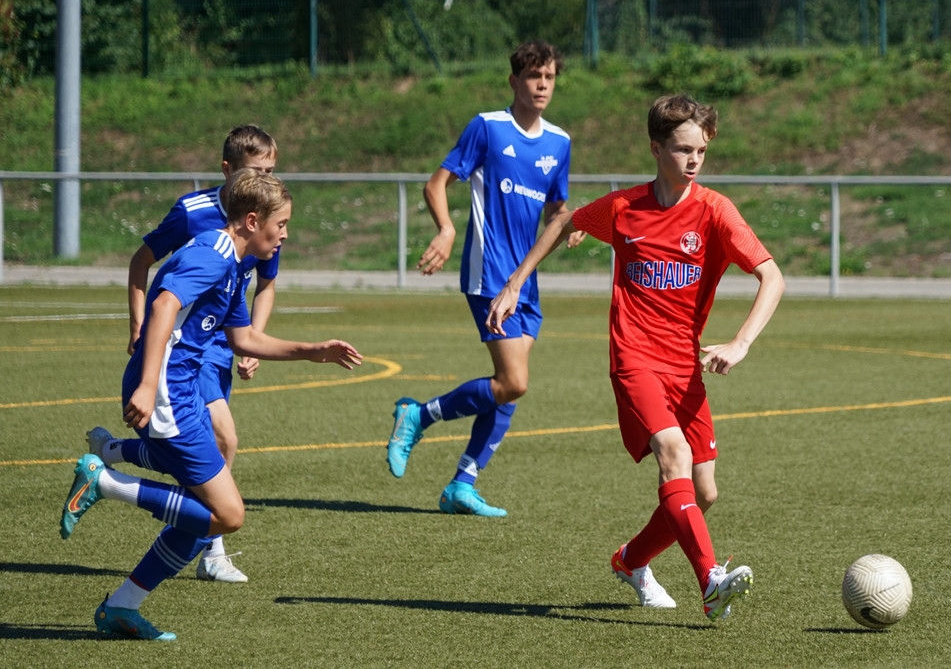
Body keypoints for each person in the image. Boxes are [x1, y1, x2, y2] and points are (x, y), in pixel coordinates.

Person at [486, 94, 785, 621]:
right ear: (655, 148)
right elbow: (563, 221)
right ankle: (711, 582)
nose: (694, 160)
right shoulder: (625, 208)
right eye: (682, 149)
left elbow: (772, 275)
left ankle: (631, 561)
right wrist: (515, 283)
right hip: (634, 358)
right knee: (674, 453)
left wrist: (740, 342)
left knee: (704, 491)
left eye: (702, 151)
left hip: (684, 367)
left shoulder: (715, 211)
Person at [60, 169, 364, 641]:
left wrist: (312, 351)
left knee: (199, 516)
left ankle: (122, 606)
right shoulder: (214, 255)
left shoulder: (236, 265)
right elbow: (163, 306)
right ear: (249, 220)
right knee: (228, 514)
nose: (285, 234)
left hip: (179, 394)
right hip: (166, 394)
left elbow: (244, 338)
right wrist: (145, 385)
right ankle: (105, 481)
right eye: (279, 224)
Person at [386, 40, 584, 517]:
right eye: (533, 75)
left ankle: (462, 483)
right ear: (514, 80)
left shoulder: (560, 143)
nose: (542, 84)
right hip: (488, 272)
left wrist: (568, 224)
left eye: (550, 77)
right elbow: (437, 183)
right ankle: (417, 415)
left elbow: (556, 207)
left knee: (509, 384)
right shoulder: (488, 128)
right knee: (514, 381)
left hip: (525, 278)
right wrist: (447, 228)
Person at [92, 124, 279, 584]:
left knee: (202, 445)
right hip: (182, 349)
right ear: (228, 171)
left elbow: (263, 284)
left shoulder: (268, 217)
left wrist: (252, 338)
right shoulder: (196, 215)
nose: (267, 180)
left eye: (272, 171)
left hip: (217, 347)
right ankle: (211, 545)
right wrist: (140, 322)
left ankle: (116, 455)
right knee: (223, 441)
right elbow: (145, 265)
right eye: (258, 171)